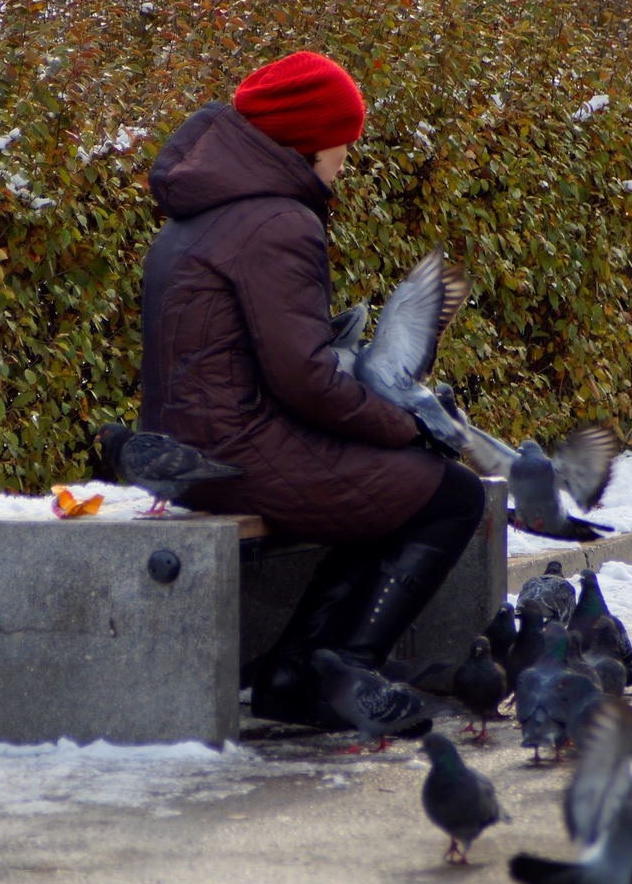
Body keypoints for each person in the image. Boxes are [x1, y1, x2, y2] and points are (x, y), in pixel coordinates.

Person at [137, 51, 485, 727]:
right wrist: (406, 427)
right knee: (449, 493)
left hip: (191, 446)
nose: (347, 160)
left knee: (386, 484)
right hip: (238, 449)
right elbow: (304, 377)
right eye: (344, 144)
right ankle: (327, 672)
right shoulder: (278, 222)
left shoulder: (201, 212)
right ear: (308, 139)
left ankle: (302, 663)